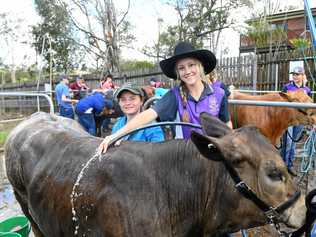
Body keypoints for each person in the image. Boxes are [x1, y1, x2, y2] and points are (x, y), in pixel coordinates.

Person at [99, 41, 231, 153]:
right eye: (181, 68)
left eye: (191, 65)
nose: (187, 71)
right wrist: (117, 134)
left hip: (215, 154)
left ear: (200, 66)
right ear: (178, 73)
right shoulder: (175, 95)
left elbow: (226, 123)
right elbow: (148, 114)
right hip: (187, 158)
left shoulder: (219, 94)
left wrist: (229, 146)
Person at [281, 66, 311, 176]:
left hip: (300, 120)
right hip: (289, 119)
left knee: (293, 142)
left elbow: (309, 106)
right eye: (293, 74)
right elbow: (281, 100)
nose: (294, 76)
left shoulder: (307, 90)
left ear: (302, 76)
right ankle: (283, 164)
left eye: (297, 74)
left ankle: (290, 164)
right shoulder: (287, 87)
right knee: (288, 142)